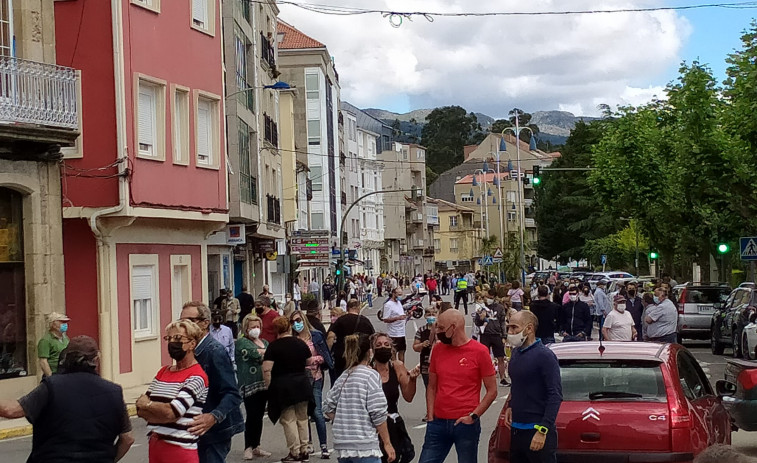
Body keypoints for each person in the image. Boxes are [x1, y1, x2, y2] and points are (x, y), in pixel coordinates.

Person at [0, 335, 134, 462]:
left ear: (66, 358)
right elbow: (127, 439)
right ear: (96, 359)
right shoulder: (114, 392)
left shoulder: (52, 387)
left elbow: (11, 410)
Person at [419, 309, 498, 463]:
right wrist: (430, 414)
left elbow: (492, 390)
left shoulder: (479, 351)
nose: (438, 332)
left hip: (465, 423)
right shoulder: (438, 349)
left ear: (453, 327)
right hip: (438, 422)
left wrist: (474, 416)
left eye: (441, 328)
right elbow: (432, 386)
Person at [179, 301, 244, 463]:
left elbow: (232, 393)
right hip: (195, 431)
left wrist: (213, 417)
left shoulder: (214, 352)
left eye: (189, 321)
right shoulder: (188, 351)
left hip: (215, 432)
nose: (183, 326)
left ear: (204, 323)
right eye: (181, 322)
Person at [137, 320, 208, 463]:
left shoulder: (197, 376)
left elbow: (173, 412)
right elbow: (140, 409)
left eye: (177, 338)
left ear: (192, 344)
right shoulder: (163, 371)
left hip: (180, 450)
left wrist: (149, 406)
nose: (171, 343)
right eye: (168, 338)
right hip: (156, 445)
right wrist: (163, 414)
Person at [323, 334, 395, 463]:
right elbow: (378, 412)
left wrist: (344, 419)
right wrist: (387, 443)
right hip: (365, 444)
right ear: (369, 353)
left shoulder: (344, 376)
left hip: (343, 446)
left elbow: (327, 406)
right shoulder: (370, 376)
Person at [505, 311, 562, 463]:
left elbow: (555, 395)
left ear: (529, 329)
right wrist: (510, 405)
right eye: (508, 328)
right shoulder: (516, 353)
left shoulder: (545, 356)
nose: (510, 332)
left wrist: (543, 430)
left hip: (537, 431)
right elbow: (518, 383)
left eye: (514, 328)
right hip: (517, 431)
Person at [263, 317, 313, 462]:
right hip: (302, 384)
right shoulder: (300, 343)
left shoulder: (274, 346)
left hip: (283, 385)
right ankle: (305, 449)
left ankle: (294, 451)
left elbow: (267, 369)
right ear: (289, 327)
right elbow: (309, 361)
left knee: (289, 419)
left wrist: (269, 387)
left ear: (276, 330)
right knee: (303, 418)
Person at [371, 333, 420, 463]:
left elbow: (408, 396)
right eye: (379, 345)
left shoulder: (397, 366)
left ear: (392, 349)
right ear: (372, 350)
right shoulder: (368, 371)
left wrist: (413, 380)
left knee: (397, 458)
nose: (383, 347)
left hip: (392, 423)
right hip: (372, 426)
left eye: (386, 345)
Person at [291, 310, 332, 459]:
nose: (296, 323)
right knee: (303, 413)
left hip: (315, 377)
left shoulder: (316, 336)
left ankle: (324, 446)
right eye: (293, 321)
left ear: (304, 320)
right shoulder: (292, 339)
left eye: (298, 320)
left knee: (317, 412)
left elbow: (325, 355)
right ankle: (308, 443)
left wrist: (315, 360)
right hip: (299, 379)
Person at [235, 314, 271, 460]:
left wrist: (264, 353)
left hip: (264, 384)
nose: (255, 329)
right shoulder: (242, 342)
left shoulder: (264, 342)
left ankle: (256, 445)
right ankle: (248, 446)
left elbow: (270, 355)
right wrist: (263, 353)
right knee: (252, 415)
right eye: (252, 327)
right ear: (246, 328)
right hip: (249, 384)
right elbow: (254, 354)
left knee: (259, 416)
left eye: (257, 326)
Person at [327, 299, 375, 381]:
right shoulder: (365, 321)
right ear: (358, 308)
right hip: (360, 357)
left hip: (342, 356)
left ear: (347, 308)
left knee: (340, 381)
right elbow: (373, 339)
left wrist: (328, 354)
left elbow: (330, 336)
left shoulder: (340, 320)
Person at [474, 290, 509, 386]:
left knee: (501, 357)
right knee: (483, 357)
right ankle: (482, 378)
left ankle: (502, 378)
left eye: (489, 297)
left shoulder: (500, 307)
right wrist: (481, 318)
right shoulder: (481, 308)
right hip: (485, 334)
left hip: (497, 334)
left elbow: (502, 322)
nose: (487, 299)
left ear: (493, 297)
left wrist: (504, 336)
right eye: (486, 297)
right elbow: (477, 323)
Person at [37, 312, 70, 377]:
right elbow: (43, 361)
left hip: (65, 373)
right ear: (53, 324)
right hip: (54, 373)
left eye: (65, 322)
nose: (65, 324)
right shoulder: (46, 340)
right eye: (62, 322)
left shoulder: (66, 339)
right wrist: (50, 377)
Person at [413, 307, 437, 389]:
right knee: (428, 388)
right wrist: (422, 345)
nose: (431, 316)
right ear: (425, 316)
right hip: (425, 364)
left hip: (438, 363)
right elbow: (415, 347)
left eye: (433, 314)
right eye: (429, 314)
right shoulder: (421, 330)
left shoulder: (440, 329)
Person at [382, 287, 408, 362]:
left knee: (402, 352)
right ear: (394, 294)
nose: (400, 296)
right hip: (393, 334)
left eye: (401, 294)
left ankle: (402, 369)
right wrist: (397, 318)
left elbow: (401, 315)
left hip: (402, 333)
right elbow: (385, 319)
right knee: (393, 353)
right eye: (399, 294)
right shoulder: (388, 305)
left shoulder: (398, 303)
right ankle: (395, 369)